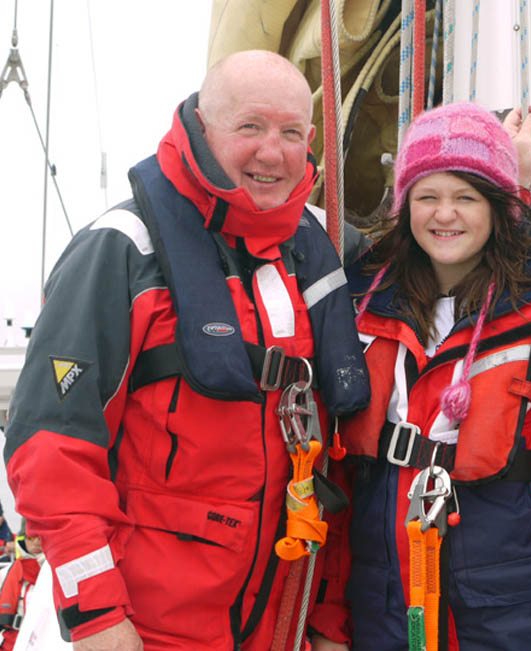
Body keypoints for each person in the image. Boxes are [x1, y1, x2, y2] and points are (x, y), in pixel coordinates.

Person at [3, 50, 370, 650]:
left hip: (280, 622)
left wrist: (328, 620)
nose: (271, 152)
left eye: (291, 133)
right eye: (250, 127)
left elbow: (346, 464)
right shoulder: (121, 252)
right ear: (202, 126)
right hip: (143, 629)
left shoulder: (326, 254)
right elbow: (52, 446)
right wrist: (95, 616)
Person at [306, 102, 531, 651]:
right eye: (427, 196)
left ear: (499, 207)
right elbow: (342, 484)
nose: (444, 215)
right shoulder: (361, 314)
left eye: (466, 197)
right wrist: (330, 624)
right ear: (405, 204)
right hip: (384, 613)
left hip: (516, 619)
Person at [0, 531, 44, 651]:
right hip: (12, 642)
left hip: (46, 641)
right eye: (30, 538)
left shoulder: (57, 573)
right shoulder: (5, 573)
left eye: (41, 538)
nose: (36, 543)